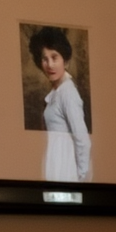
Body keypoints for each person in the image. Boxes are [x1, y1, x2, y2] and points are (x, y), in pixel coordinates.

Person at [27, 26, 91, 184]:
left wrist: (80, 179)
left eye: (54, 57)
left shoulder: (68, 93)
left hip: (65, 169)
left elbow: (82, 140)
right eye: (44, 58)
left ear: (65, 60)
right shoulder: (56, 93)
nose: (49, 64)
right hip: (55, 164)